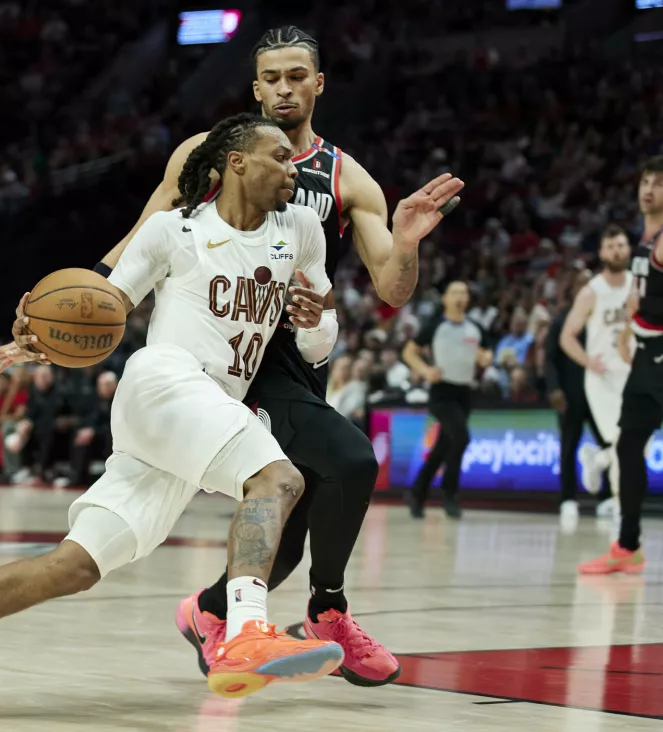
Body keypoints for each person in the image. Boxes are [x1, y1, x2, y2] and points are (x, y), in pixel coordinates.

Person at [0, 114, 388, 721]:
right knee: (280, 479)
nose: (294, 168)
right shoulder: (170, 232)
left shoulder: (304, 230)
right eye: (280, 157)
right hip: (165, 382)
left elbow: (319, 344)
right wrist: (38, 340)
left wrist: (315, 324)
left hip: (202, 413)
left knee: (73, 566)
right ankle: (244, 632)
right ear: (235, 162)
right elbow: (102, 309)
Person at [97, 25, 462, 686]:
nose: (284, 88)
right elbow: (141, 235)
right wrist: (87, 298)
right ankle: (328, 615)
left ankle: (208, 613)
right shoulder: (210, 155)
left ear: (319, 84)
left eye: (298, 76)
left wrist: (406, 243)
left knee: (288, 537)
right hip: (227, 351)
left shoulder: (347, 178)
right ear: (255, 86)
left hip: (300, 356)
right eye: (272, 77)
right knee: (353, 458)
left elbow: (392, 289)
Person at [580, 156, 663, 574]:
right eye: (644, 180)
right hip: (646, 357)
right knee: (628, 444)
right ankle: (628, 546)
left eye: (658, 182)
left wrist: (637, 311)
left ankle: (628, 544)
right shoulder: (644, 238)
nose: (647, 189)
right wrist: (629, 329)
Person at [401, 281, 493, 519]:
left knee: (444, 445)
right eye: (455, 292)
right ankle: (450, 494)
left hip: (464, 392)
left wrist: (485, 358)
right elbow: (408, 352)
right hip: (442, 392)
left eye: (464, 292)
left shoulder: (476, 329)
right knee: (461, 438)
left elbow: (486, 355)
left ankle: (417, 493)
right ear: (445, 299)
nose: (460, 296)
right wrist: (425, 370)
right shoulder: (435, 326)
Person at [559, 225, 632, 523]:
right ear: (602, 253)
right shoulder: (592, 291)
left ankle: (597, 459)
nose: (616, 251)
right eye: (610, 246)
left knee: (639, 440)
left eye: (621, 245)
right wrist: (587, 360)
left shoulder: (638, 287)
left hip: (634, 374)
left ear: (628, 248)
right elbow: (567, 336)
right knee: (623, 440)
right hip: (602, 377)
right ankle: (621, 506)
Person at [543, 269, 613, 531]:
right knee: (568, 447)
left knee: (609, 445)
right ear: (572, 290)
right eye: (581, 283)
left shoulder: (603, 320)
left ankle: (607, 498)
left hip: (601, 396)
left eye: (590, 282)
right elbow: (549, 359)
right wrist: (553, 389)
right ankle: (568, 499)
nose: (586, 287)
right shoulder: (562, 322)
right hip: (570, 396)